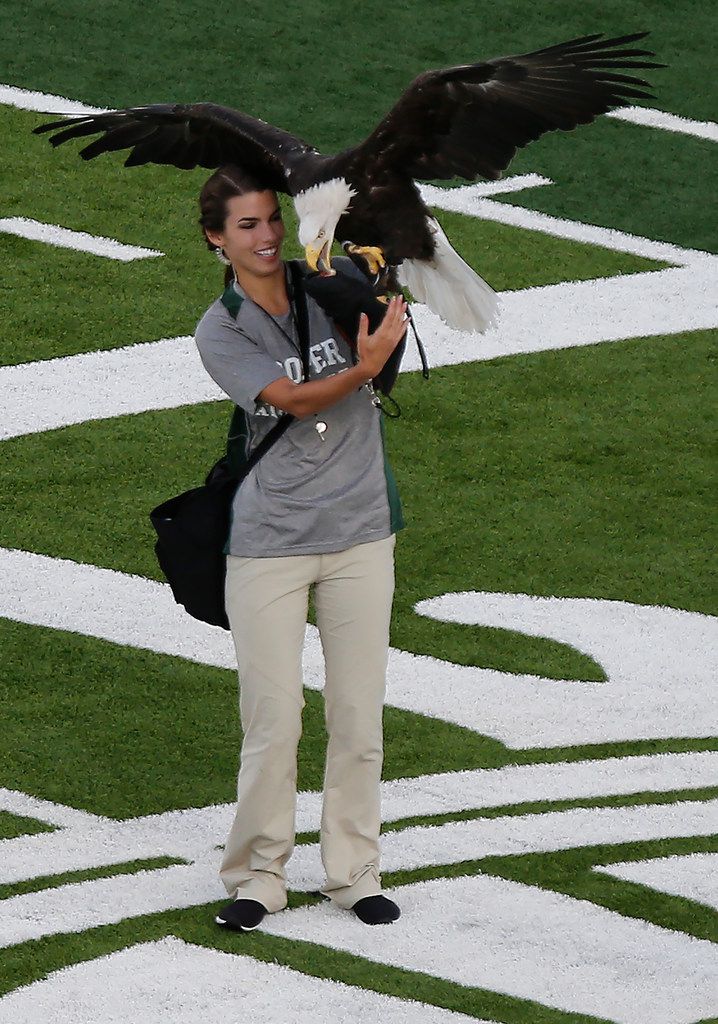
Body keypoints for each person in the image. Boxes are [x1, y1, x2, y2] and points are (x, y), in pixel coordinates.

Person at [193, 165, 408, 931]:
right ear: (216, 239)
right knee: (274, 719)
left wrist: (388, 303)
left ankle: (354, 872)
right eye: (245, 225)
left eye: (270, 220)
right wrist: (367, 367)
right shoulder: (220, 330)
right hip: (269, 543)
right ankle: (258, 877)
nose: (266, 236)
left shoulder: (332, 278)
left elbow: (394, 301)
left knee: (357, 717)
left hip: (358, 533)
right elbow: (292, 399)